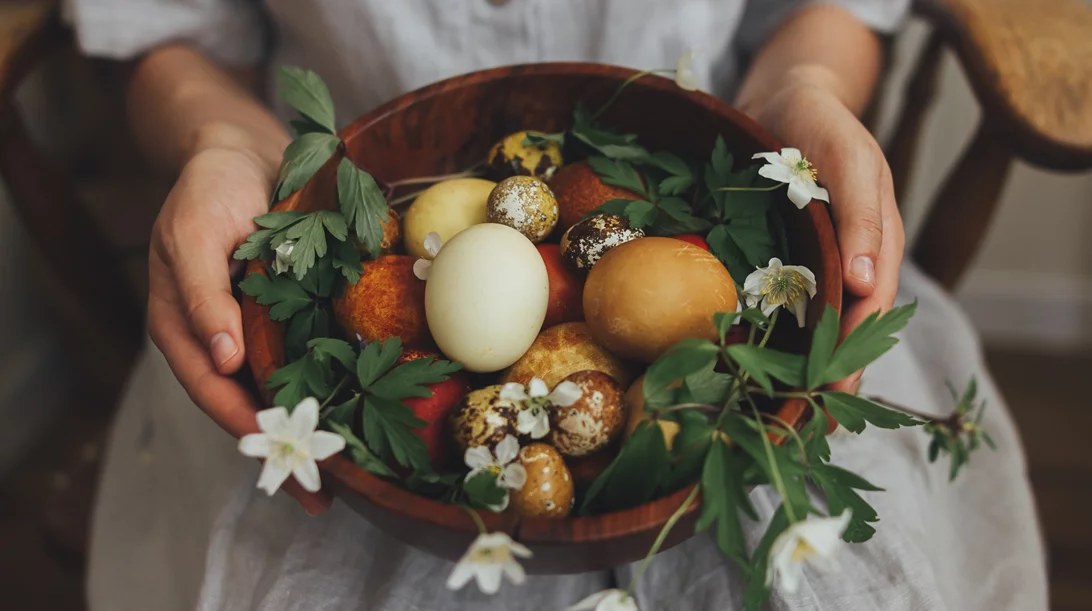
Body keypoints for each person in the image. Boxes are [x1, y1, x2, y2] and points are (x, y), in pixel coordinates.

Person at [63, 0, 1047, 609]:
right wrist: (218, 143)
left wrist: (806, 84)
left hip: (738, 267)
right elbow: (170, 35)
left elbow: (825, 11)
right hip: (334, 261)